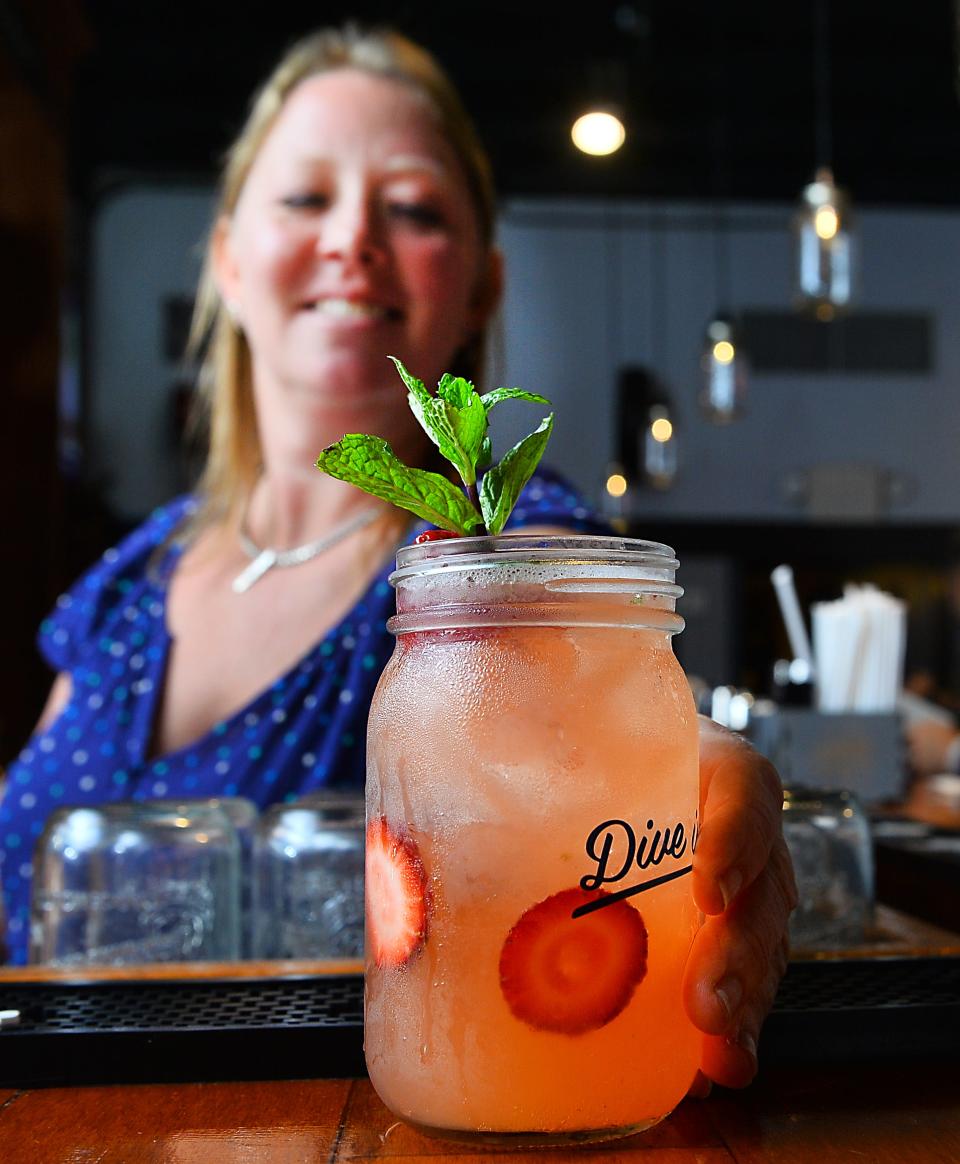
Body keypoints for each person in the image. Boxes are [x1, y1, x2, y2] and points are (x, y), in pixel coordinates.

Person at [0, 25, 794, 1088]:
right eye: (304, 199)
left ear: (479, 288)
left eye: (413, 210)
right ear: (229, 259)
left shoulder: (478, 554)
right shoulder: (131, 580)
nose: (353, 239)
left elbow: (575, 658)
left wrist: (678, 761)